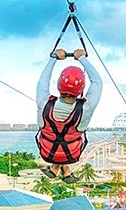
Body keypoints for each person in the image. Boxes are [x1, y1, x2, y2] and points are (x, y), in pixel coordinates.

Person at [36, 48, 102, 183]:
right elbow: (97, 82)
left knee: (59, 139)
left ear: (59, 84)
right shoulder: (86, 108)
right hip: (72, 154)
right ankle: (64, 170)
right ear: (81, 89)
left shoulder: (44, 103)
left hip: (47, 153)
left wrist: (53, 57)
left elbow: (43, 81)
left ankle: (56, 168)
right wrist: (82, 58)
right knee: (66, 139)